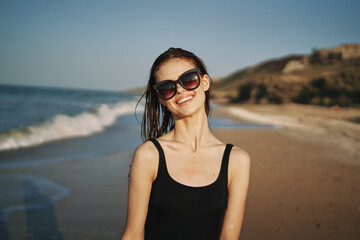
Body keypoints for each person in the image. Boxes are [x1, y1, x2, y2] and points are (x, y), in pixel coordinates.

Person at [121, 48, 250, 240]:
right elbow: (133, 234)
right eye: (167, 87)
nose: (180, 89)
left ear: (205, 82)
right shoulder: (149, 155)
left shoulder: (237, 160)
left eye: (188, 79)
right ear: (162, 99)